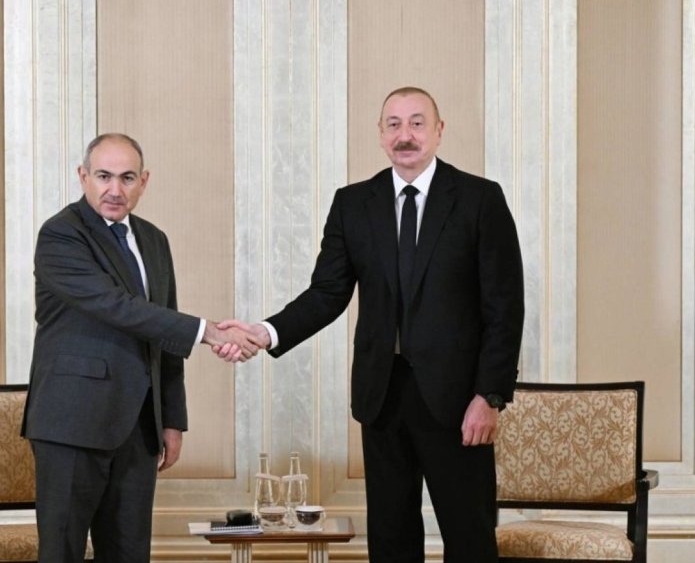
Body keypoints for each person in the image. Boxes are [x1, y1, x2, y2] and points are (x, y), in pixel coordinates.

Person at [220, 87, 524, 562]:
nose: (406, 135)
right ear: (380, 135)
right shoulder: (353, 204)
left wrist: (490, 396)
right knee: (391, 539)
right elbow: (327, 293)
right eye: (394, 124)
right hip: (382, 396)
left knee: (469, 538)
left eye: (417, 123)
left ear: (439, 131)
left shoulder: (480, 199)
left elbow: (505, 308)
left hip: (459, 400)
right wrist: (265, 331)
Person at [21, 133, 255, 563]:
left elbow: (163, 331)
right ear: (83, 177)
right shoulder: (60, 236)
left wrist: (172, 420)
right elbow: (118, 308)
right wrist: (210, 332)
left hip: (138, 427)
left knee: (130, 553)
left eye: (127, 178)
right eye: (104, 176)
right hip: (71, 424)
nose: (115, 189)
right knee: (62, 552)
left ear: (143, 181)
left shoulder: (154, 240)